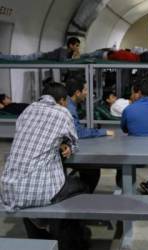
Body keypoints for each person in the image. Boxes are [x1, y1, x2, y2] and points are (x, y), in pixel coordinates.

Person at [0, 82, 90, 250]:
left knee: (30, 190)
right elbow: (74, 142)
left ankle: (39, 234)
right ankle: (71, 242)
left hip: (9, 187)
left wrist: (58, 143)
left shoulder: (27, 111)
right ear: (62, 100)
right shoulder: (62, 113)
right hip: (36, 191)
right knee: (80, 187)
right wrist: (68, 146)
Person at [65, 77, 114, 193]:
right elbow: (78, 133)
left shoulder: (70, 104)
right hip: (65, 151)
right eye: (85, 90)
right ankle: (84, 195)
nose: (87, 93)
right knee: (92, 169)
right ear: (77, 92)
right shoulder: (69, 108)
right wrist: (103, 132)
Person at [0, 37, 80, 61]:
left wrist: (75, 55)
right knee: (19, 58)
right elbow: (62, 61)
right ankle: (2, 56)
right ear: (71, 45)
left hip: (39, 56)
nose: (77, 47)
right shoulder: (63, 50)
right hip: (37, 56)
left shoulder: (68, 52)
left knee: (19, 58)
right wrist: (74, 58)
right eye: (76, 45)